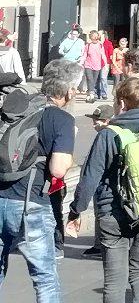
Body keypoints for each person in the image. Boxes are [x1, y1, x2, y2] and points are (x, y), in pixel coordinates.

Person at [67, 76, 139, 303]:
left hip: (113, 213)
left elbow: (90, 178)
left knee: (114, 282)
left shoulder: (109, 134)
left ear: (122, 103)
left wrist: (76, 210)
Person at [0, 63, 74, 302]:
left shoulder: (17, 107)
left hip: (1, 197)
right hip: (31, 204)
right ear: (69, 90)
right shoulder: (60, 118)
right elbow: (58, 169)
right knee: (44, 277)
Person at [83, 31, 109, 101]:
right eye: (93, 36)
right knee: (89, 79)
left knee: (94, 81)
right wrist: (81, 62)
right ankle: (91, 94)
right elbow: (84, 55)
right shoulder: (87, 45)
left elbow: (103, 55)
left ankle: (89, 94)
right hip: (88, 65)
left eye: (96, 36)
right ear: (91, 37)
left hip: (97, 65)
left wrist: (106, 65)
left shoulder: (100, 45)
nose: (95, 37)